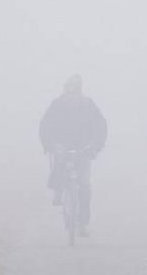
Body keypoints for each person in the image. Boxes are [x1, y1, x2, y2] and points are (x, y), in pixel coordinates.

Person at [39, 74, 107, 235]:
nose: (72, 92)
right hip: (61, 146)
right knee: (60, 164)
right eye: (69, 89)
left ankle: (82, 223)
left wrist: (95, 145)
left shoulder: (88, 105)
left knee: (84, 185)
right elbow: (45, 125)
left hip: (83, 149)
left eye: (75, 89)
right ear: (65, 89)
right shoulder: (57, 105)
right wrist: (49, 145)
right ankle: (58, 189)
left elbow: (100, 126)